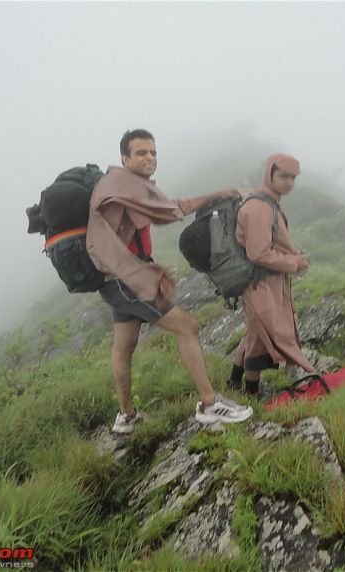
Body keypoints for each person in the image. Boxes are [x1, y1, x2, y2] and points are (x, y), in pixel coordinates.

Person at [87, 129, 253, 433]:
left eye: (153, 152)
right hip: (128, 278)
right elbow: (172, 210)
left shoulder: (122, 185)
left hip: (114, 279)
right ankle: (209, 403)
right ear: (125, 158)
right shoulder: (124, 187)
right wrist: (218, 194)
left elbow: (167, 208)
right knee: (187, 326)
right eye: (141, 153)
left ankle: (126, 417)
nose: (150, 157)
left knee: (124, 345)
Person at [227, 153, 316, 395]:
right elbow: (258, 254)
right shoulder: (258, 208)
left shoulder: (270, 202)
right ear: (269, 174)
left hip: (269, 280)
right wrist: (293, 263)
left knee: (255, 331)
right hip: (260, 281)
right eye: (284, 176)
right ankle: (251, 394)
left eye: (293, 178)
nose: (289, 183)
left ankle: (234, 382)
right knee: (261, 336)